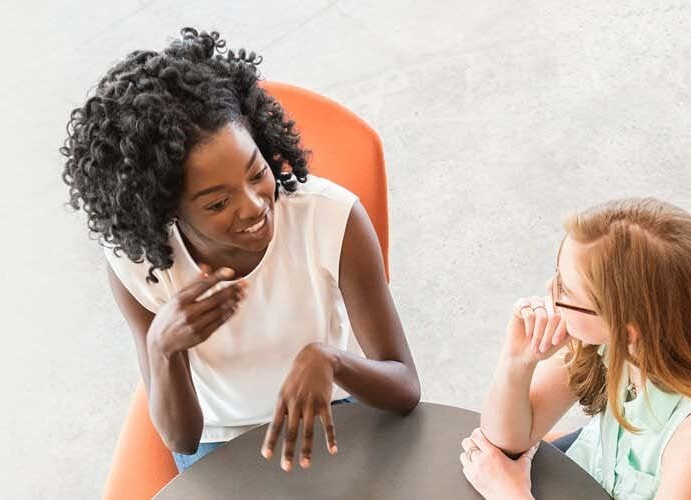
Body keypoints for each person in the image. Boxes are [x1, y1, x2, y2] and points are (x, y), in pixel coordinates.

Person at [60, 28, 421, 473]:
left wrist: (332, 361)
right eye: (216, 202)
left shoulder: (330, 218)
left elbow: (405, 389)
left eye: (256, 173)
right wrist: (163, 347)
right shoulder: (142, 266)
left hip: (329, 407)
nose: (254, 208)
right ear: (166, 207)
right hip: (218, 438)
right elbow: (182, 436)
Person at [461, 198, 691, 499]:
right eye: (558, 275)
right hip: (598, 473)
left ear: (627, 331)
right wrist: (516, 362)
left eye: (567, 290)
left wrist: (510, 495)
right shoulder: (616, 340)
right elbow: (506, 440)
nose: (551, 292)